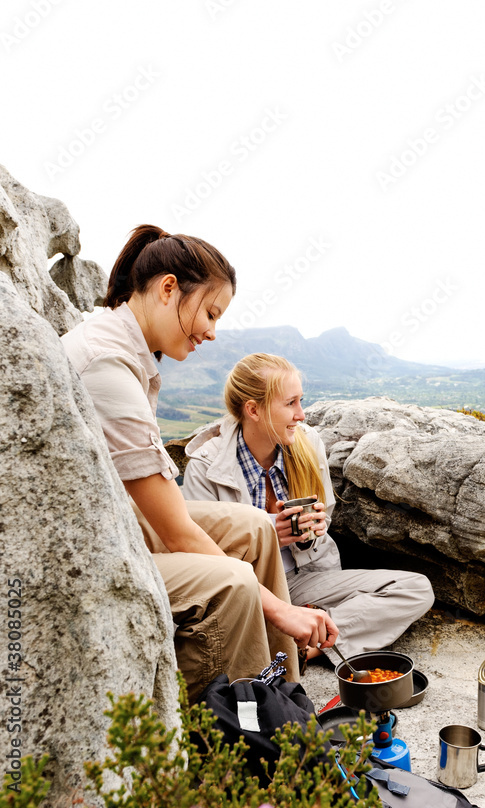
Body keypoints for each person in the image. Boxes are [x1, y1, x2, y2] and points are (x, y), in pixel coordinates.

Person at [61, 225, 337, 701]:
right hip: (89, 550)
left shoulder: (125, 348)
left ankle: (286, 702)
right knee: (232, 580)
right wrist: (281, 610)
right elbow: (175, 531)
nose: (212, 331)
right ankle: (236, 727)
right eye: (210, 312)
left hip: (116, 522)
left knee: (255, 527)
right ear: (168, 288)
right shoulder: (106, 362)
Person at [182, 352, 434, 667]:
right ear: (253, 410)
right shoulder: (206, 467)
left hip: (308, 579)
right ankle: (299, 629)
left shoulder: (306, 443)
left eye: (300, 401)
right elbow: (205, 560)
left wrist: (309, 531)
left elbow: (323, 514)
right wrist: (267, 533)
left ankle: (304, 647)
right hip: (254, 589)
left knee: (415, 588)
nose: (301, 414)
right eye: (290, 404)